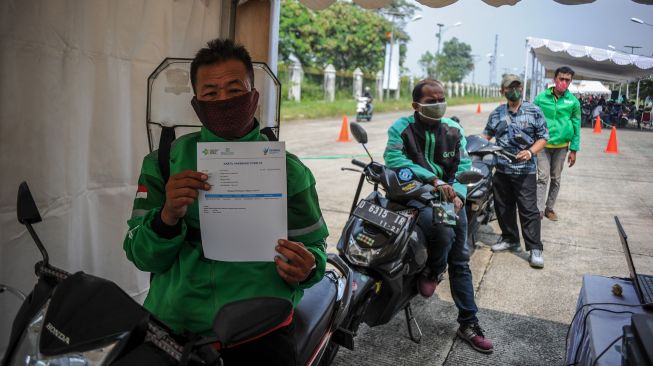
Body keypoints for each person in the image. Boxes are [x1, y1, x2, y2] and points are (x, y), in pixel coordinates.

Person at [123, 39, 328, 365]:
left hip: (260, 328)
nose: (223, 100)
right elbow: (139, 254)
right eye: (211, 93)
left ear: (254, 96)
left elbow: (315, 249)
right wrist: (167, 215)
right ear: (196, 103)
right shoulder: (164, 162)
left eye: (235, 90)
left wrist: (308, 267)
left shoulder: (288, 171)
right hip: (175, 325)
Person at [384, 79, 494, 354]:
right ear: (416, 105)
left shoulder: (455, 129)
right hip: (416, 195)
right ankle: (429, 271)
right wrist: (433, 181)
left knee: (460, 258)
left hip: (449, 200)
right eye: (431, 101)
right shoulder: (401, 128)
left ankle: (468, 321)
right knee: (438, 231)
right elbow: (394, 160)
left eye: (441, 99)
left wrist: (456, 194)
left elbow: (463, 166)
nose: (438, 105)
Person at [484, 74, 549, 268]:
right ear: (502, 91)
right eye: (510, 88)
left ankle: (535, 248)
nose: (515, 90)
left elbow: (544, 137)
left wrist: (530, 152)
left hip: (525, 170)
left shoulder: (534, 111)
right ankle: (510, 239)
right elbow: (486, 135)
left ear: (522, 89)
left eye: (518, 87)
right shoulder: (496, 114)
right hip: (502, 169)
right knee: (503, 208)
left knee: (528, 210)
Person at [533, 66, 581, 222]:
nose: (564, 82)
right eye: (561, 79)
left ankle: (549, 208)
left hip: (561, 147)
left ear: (570, 81)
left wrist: (573, 149)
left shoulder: (573, 102)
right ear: (555, 80)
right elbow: (532, 118)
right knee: (542, 177)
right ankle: (539, 210)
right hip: (542, 145)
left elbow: (576, 125)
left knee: (556, 179)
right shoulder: (541, 98)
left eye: (567, 80)